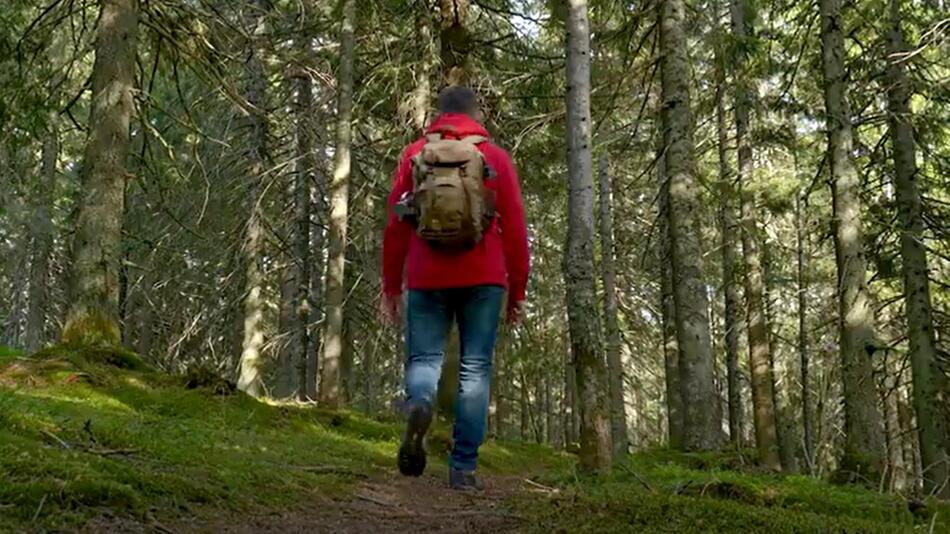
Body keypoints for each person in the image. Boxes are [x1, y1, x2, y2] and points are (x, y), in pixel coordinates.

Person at [381, 86, 530, 490]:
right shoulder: (494, 158)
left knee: (425, 359)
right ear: (476, 115)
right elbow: (516, 230)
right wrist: (517, 291)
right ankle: (463, 468)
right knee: (474, 368)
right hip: (484, 277)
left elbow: (396, 224)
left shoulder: (414, 155)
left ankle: (421, 404)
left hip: (427, 274)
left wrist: (391, 285)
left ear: (438, 115)